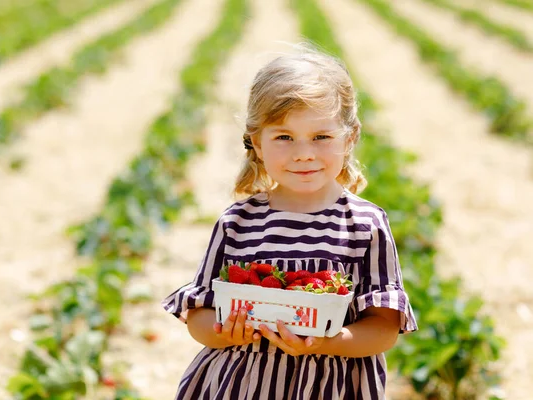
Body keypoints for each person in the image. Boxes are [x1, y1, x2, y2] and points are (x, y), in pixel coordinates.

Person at [162, 45, 417, 399]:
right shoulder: (237, 222)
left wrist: (327, 341)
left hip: (330, 387)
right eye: (284, 137)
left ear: (350, 138)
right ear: (257, 143)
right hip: (244, 386)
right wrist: (225, 332)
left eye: (321, 137)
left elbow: (384, 329)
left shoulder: (365, 225)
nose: (303, 153)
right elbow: (199, 315)